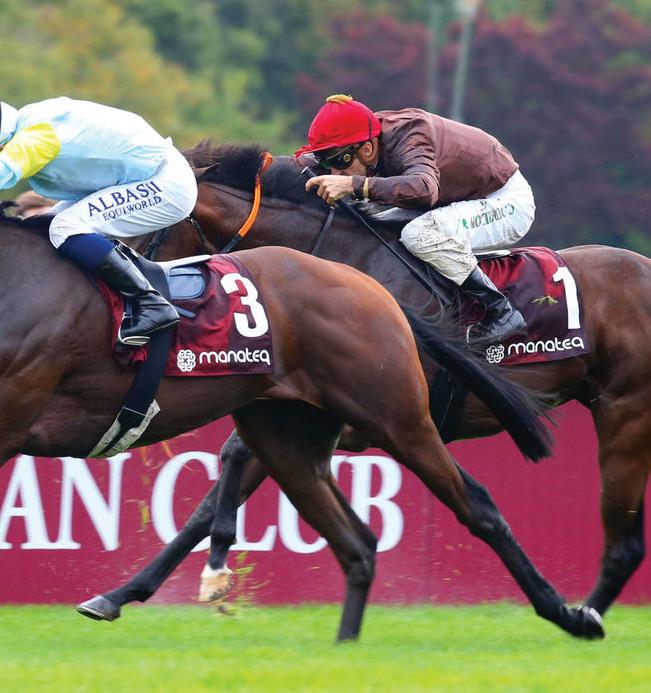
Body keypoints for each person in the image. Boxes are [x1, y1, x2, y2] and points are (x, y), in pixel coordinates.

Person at [295, 94, 534, 346]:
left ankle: (500, 309)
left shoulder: (410, 136)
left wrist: (355, 184)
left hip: (504, 201)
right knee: (372, 218)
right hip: (458, 198)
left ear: (367, 149)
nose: (335, 172)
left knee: (418, 234)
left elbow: (424, 189)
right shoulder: (360, 139)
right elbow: (301, 163)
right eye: (326, 163)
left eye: (339, 161)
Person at [0, 97, 198, 346]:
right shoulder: (27, 120)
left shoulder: (34, 139)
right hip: (138, 176)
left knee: (65, 228)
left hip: (165, 183)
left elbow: (5, 169)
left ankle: (151, 302)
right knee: (44, 225)